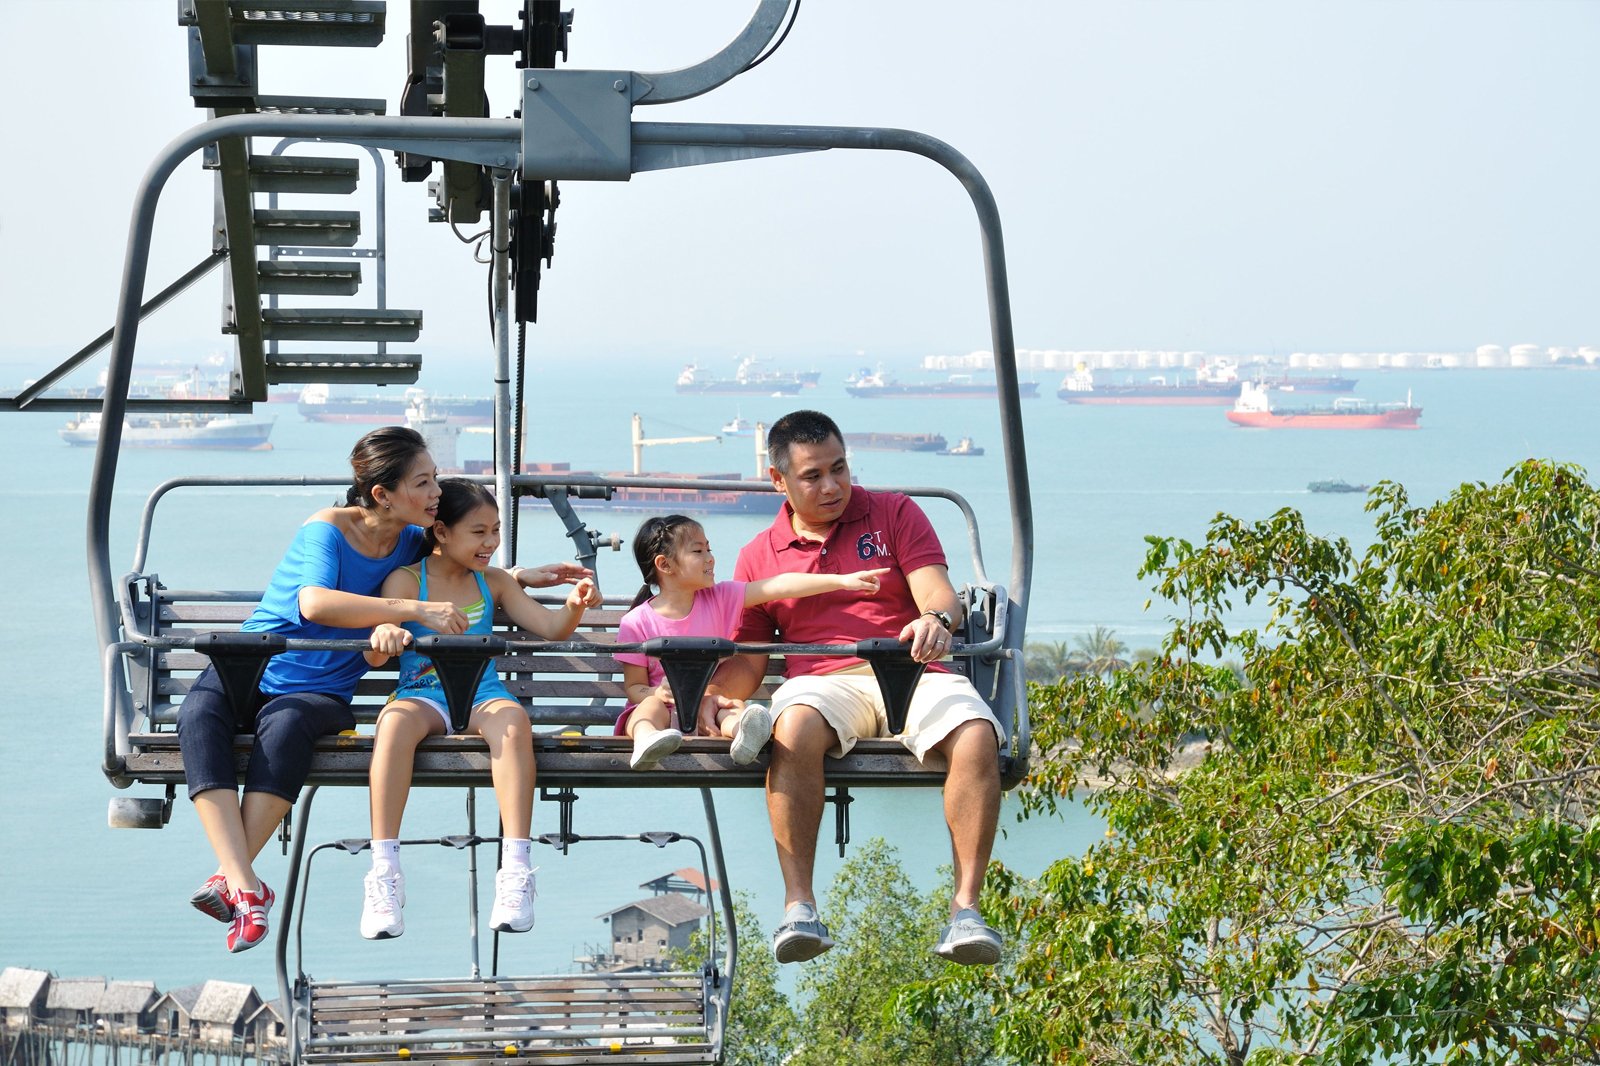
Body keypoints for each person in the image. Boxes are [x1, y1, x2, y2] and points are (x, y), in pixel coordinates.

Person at [178, 427, 591, 954]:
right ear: (383, 494)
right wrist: (412, 611)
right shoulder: (327, 530)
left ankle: (234, 884)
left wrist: (521, 576)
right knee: (197, 720)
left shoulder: (416, 535)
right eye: (424, 482)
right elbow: (314, 604)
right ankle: (242, 882)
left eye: (435, 479)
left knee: (285, 734)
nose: (436, 491)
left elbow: (461, 560)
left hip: (320, 685)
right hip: (256, 662)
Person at [705, 410, 1007, 966]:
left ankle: (966, 910)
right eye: (812, 476)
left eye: (839, 469)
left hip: (910, 667)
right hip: (823, 683)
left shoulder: (893, 513)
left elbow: (939, 595)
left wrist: (934, 622)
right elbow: (750, 662)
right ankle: (800, 907)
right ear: (779, 482)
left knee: (976, 733)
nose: (832, 486)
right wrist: (716, 696)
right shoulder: (759, 555)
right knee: (791, 726)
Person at [359, 479, 602, 940]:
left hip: (481, 695)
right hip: (422, 692)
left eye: (495, 531)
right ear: (443, 532)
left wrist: (573, 606)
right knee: (392, 725)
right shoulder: (407, 581)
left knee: (512, 722)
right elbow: (374, 653)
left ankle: (515, 869)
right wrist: (383, 638)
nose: (491, 542)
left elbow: (550, 628)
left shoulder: (492, 582)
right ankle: (384, 871)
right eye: (478, 532)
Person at [613, 514, 888, 770]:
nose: (710, 558)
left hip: (704, 709)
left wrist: (841, 581)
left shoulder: (721, 598)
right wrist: (656, 695)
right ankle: (647, 740)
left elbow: (779, 586)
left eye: (709, 549)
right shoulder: (637, 622)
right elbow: (634, 687)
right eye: (698, 551)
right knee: (650, 709)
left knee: (727, 708)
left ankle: (743, 736)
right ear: (665, 564)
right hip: (662, 714)